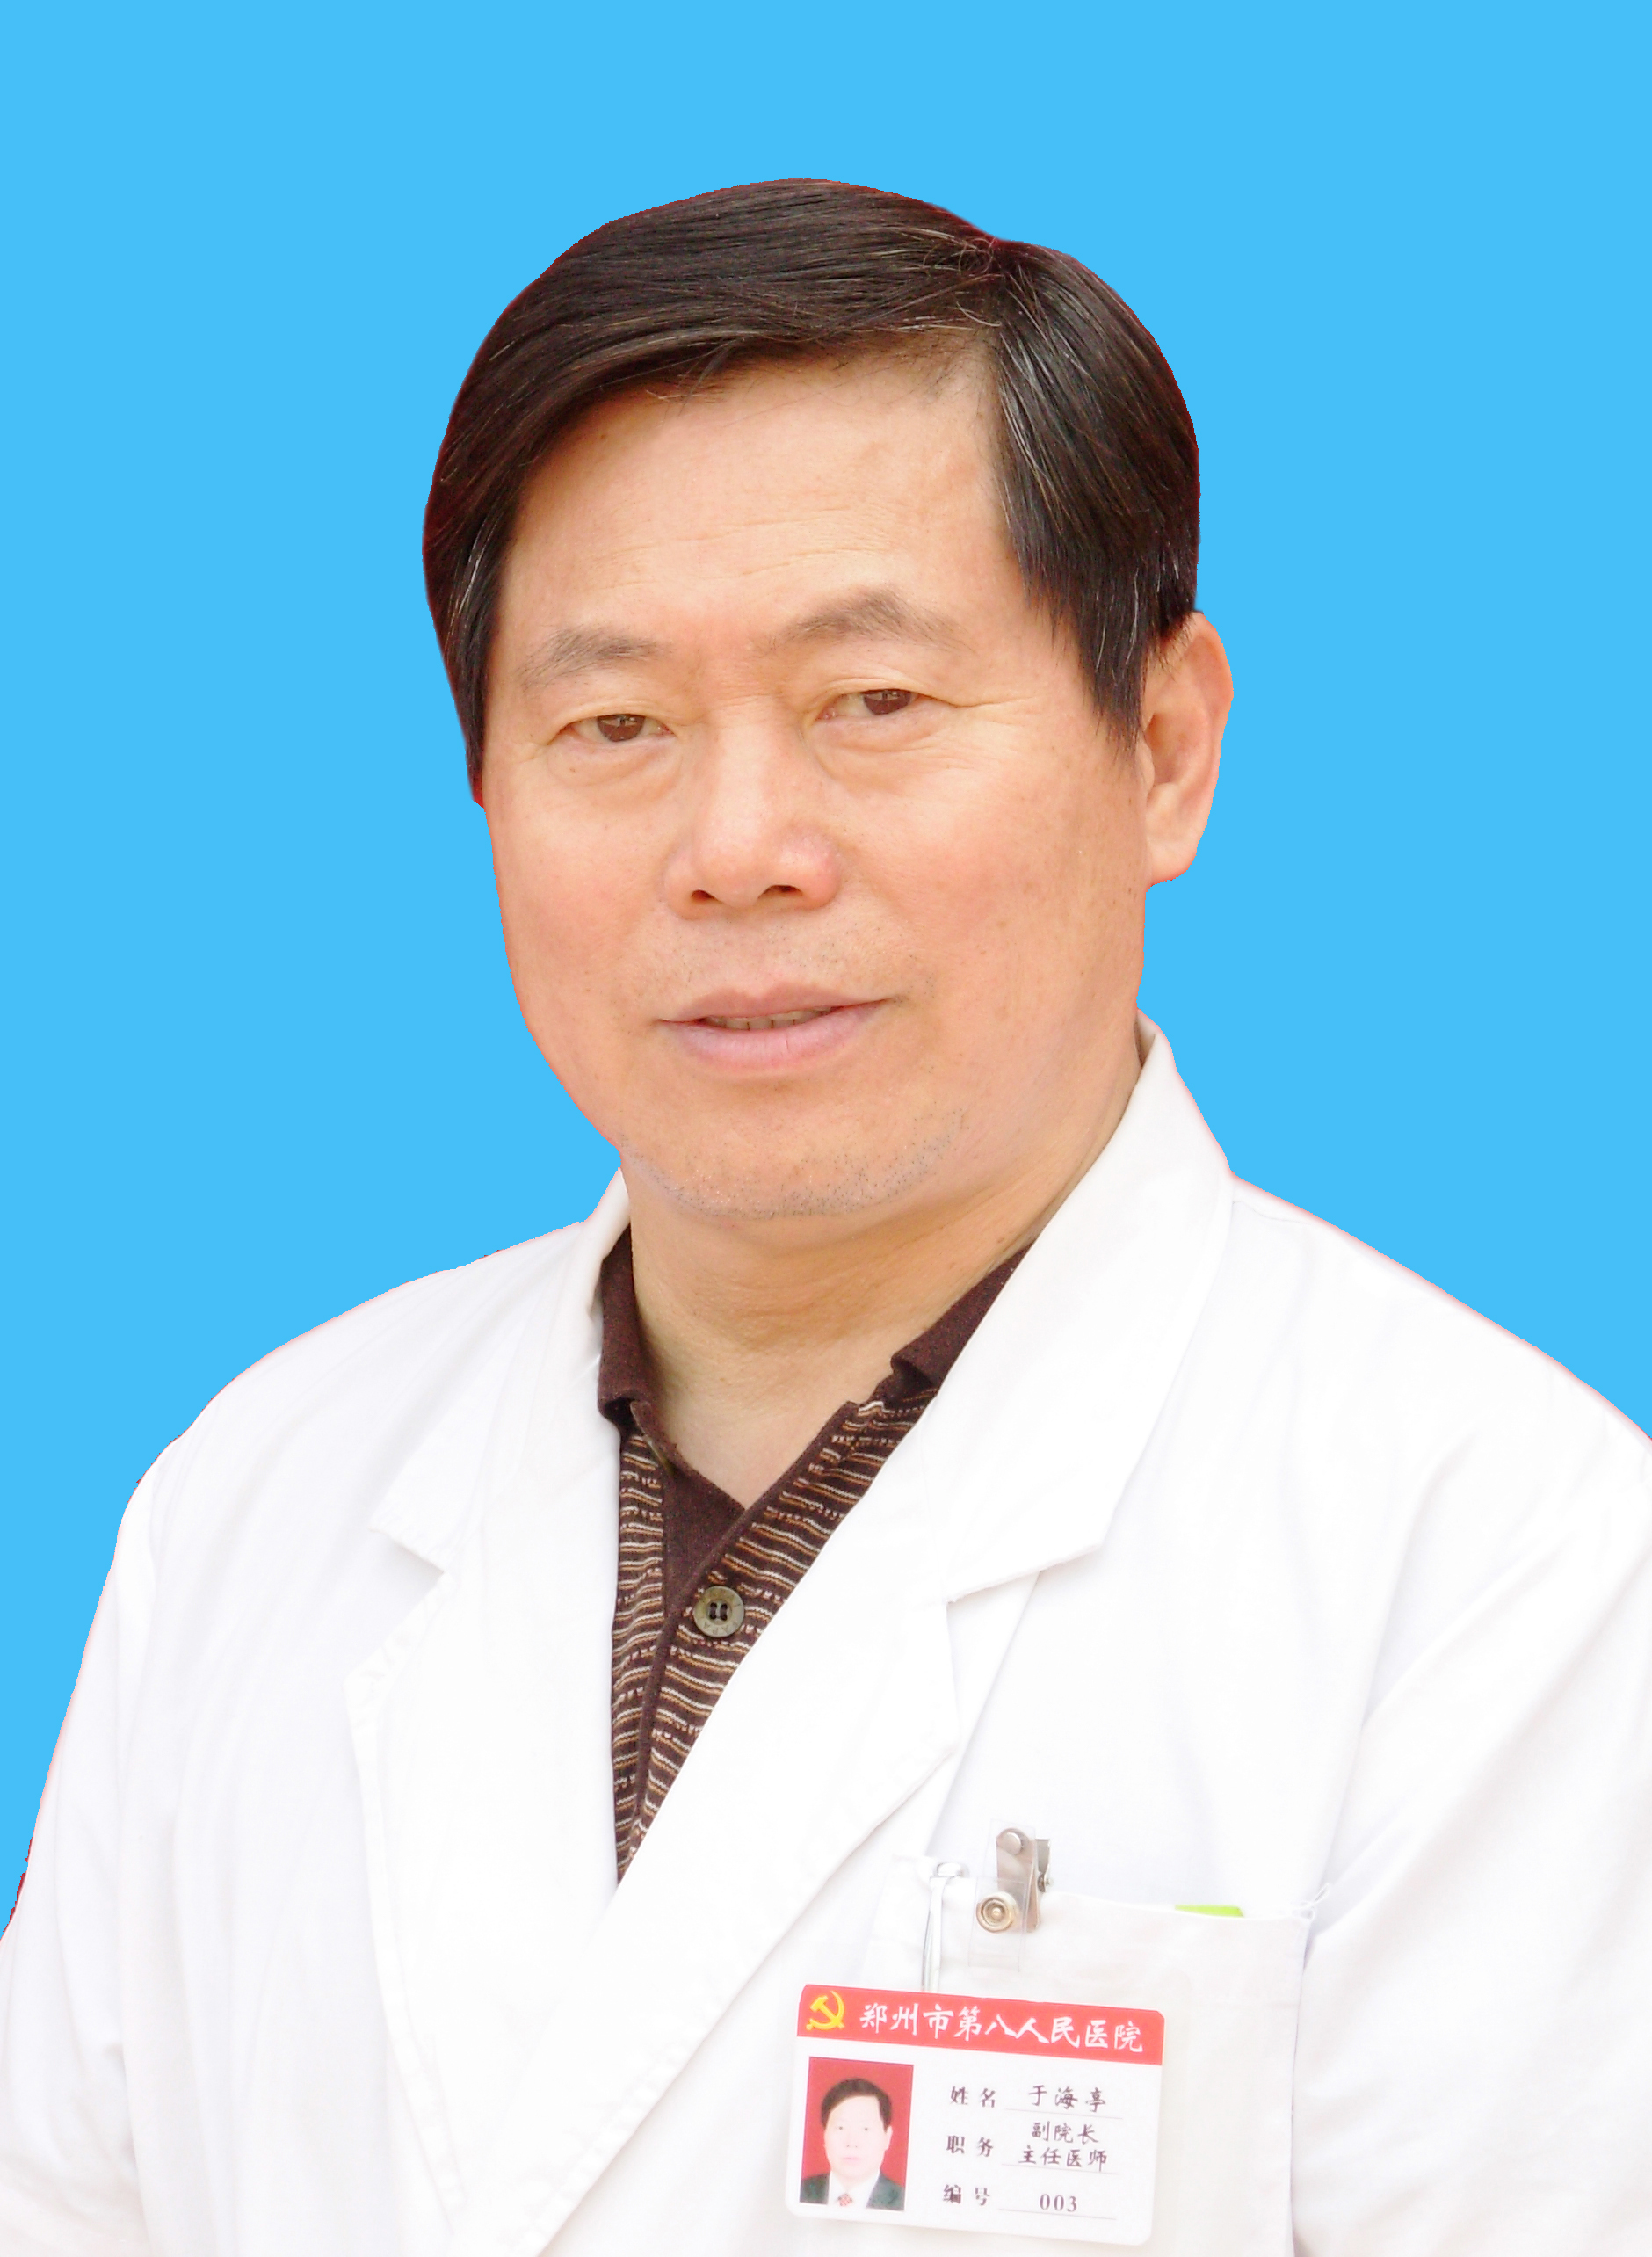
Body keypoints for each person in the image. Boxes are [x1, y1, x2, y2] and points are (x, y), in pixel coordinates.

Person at [0, 178, 1648, 2257]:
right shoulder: (255, 1499)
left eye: (871, 703)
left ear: (1161, 745)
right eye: (613, 726)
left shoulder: (1506, 1566)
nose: (739, 846)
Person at [799, 2079, 904, 2211]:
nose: (852, 2143)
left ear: (887, 2138)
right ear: (825, 2135)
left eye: (865, 2129)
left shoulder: (904, 2203)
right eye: (841, 2128)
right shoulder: (799, 2193)